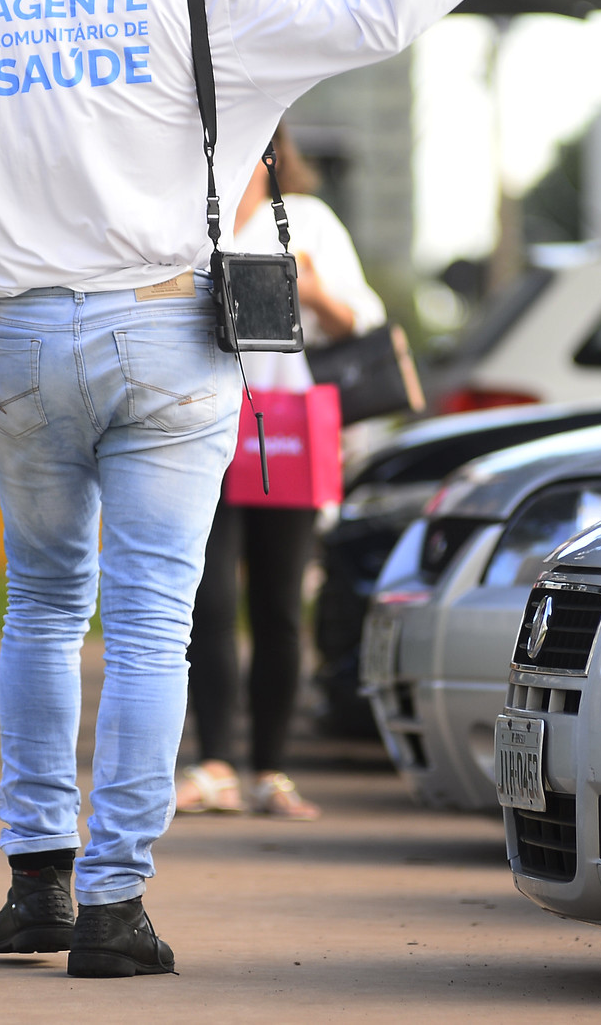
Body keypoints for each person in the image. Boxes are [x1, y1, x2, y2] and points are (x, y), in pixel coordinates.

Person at [0, 0, 540, 977]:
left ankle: (36, 885)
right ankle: (115, 907)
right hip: (172, 334)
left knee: (41, 606)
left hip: (19, 342)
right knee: (151, 624)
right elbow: (376, 14)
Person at [177, 125, 384, 821]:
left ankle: (271, 769)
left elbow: (362, 319)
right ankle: (213, 764)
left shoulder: (309, 220)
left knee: (277, 604)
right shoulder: (179, 212)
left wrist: (315, 289)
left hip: (287, 433)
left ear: (270, 146)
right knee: (204, 601)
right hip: (201, 426)